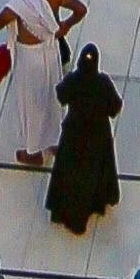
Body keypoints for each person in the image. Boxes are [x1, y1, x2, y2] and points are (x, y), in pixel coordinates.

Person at [47, 38, 123, 232]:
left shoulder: (74, 79)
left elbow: (61, 95)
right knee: (93, 173)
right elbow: (115, 107)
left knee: (70, 172)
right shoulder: (103, 82)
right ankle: (94, 204)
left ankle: (65, 211)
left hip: (74, 133)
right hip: (97, 135)